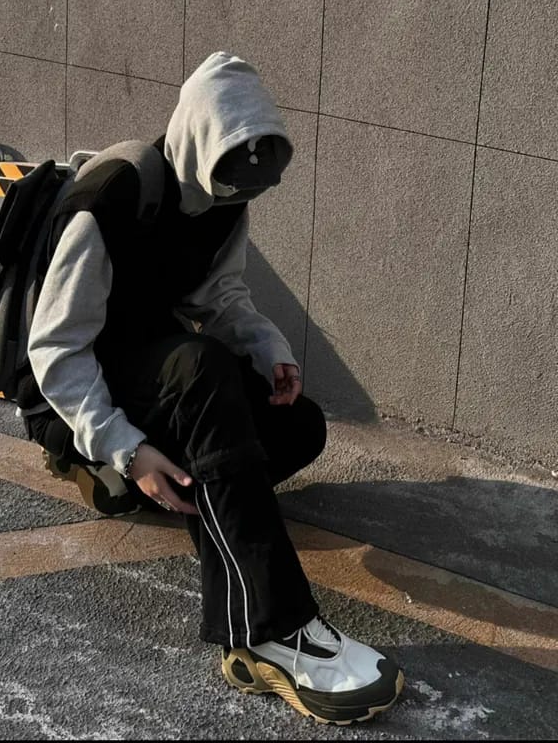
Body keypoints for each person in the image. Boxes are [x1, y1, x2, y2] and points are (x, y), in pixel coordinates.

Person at [22, 51, 404, 725]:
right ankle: (266, 630)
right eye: (231, 179)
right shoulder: (111, 195)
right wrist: (124, 447)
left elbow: (220, 295)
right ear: (200, 141)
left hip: (156, 370)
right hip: (80, 385)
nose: (239, 196)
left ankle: (178, 487)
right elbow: (54, 348)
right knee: (202, 370)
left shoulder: (224, 201)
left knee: (298, 426)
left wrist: (270, 349)